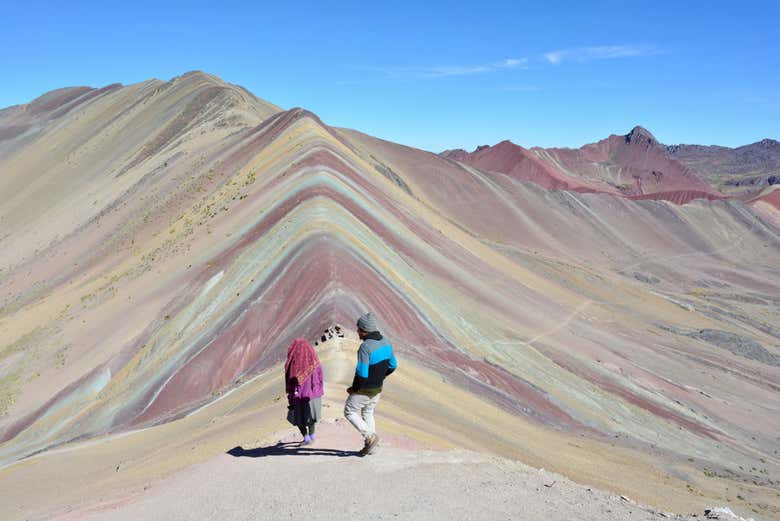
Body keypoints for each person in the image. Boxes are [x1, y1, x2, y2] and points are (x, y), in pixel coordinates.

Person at [344, 312, 397, 456]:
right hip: (378, 388)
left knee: (349, 411)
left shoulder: (365, 347)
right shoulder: (387, 342)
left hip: (364, 389)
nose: (357, 332)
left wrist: (354, 389)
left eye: (359, 329)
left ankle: (370, 437)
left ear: (365, 330)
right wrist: (379, 377)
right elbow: (393, 365)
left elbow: (362, 373)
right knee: (368, 412)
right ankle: (372, 446)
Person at [285, 338, 324, 445]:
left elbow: (290, 380)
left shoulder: (293, 364)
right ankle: (312, 437)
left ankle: (306, 438)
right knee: (311, 417)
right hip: (313, 395)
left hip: (298, 396)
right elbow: (320, 377)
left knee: (298, 418)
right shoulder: (314, 361)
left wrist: (291, 396)